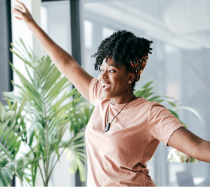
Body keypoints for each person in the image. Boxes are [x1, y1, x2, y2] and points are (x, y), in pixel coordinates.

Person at [12, 0, 210, 186]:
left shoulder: (150, 113)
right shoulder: (100, 97)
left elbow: (197, 146)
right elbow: (67, 64)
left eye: (112, 71)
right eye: (102, 70)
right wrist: (32, 25)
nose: (103, 77)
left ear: (130, 77)